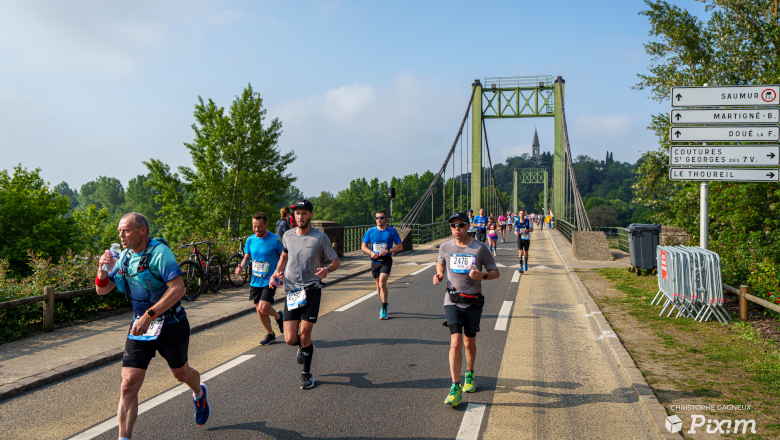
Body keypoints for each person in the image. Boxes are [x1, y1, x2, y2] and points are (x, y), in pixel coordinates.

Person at [95, 213, 210, 439]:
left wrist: (150, 314)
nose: (121, 236)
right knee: (128, 385)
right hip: (141, 328)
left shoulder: (160, 253)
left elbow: (178, 289)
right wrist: (102, 269)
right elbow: (102, 289)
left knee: (181, 373)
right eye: (119, 231)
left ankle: (199, 393)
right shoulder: (125, 257)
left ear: (142, 230)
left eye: (126, 231)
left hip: (171, 324)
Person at [270, 199, 340, 389]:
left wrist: (328, 269)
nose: (300, 217)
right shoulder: (287, 235)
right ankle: (303, 347)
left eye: (304, 213)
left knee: (305, 332)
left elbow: (335, 261)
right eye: (297, 213)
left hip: (311, 289)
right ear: (293, 215)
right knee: (290, 339)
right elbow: (284, 256)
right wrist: (277, 272)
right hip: (292, 291)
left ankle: (306, 374)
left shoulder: (320, 238)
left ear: (311, 215)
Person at [433, 212, 499, 407]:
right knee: (455, 342)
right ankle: (455, 386)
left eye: (461, 225)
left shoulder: (479, 248)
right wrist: (438, 274)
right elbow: (440, 262)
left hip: (473, 301)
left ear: (468, 226)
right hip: (452, 300)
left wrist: (483, 276)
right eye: (453, 226)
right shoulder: (445, 247)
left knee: (469, 343)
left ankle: (469, 373)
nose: (456, 229)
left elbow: (495, 272)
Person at [236, 212, 285, 346]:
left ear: (266, 225)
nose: (256, 229)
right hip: (255, 280)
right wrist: (241, 266)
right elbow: (247, 257)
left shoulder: (275, 240)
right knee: (259, 310)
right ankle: (271, 334)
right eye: (254, 226)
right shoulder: (250, 240)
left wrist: (280, 272)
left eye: (259, 227)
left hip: (270, 279)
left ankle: (278, 316)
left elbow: (284, 257)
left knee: (263, 308)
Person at [361, 210, 404, 320]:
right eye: (377, 218)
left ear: (386, 219)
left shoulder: (391, 231)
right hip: (375, 261)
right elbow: (363, 246)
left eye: (381, 217)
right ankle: (384, 302)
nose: (379, 220)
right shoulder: (370, 231)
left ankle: (384, 307)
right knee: (378, 285)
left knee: (381, 283)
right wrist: (371, 252)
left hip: (386, 261)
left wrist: (388, 250)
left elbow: (400, 247)